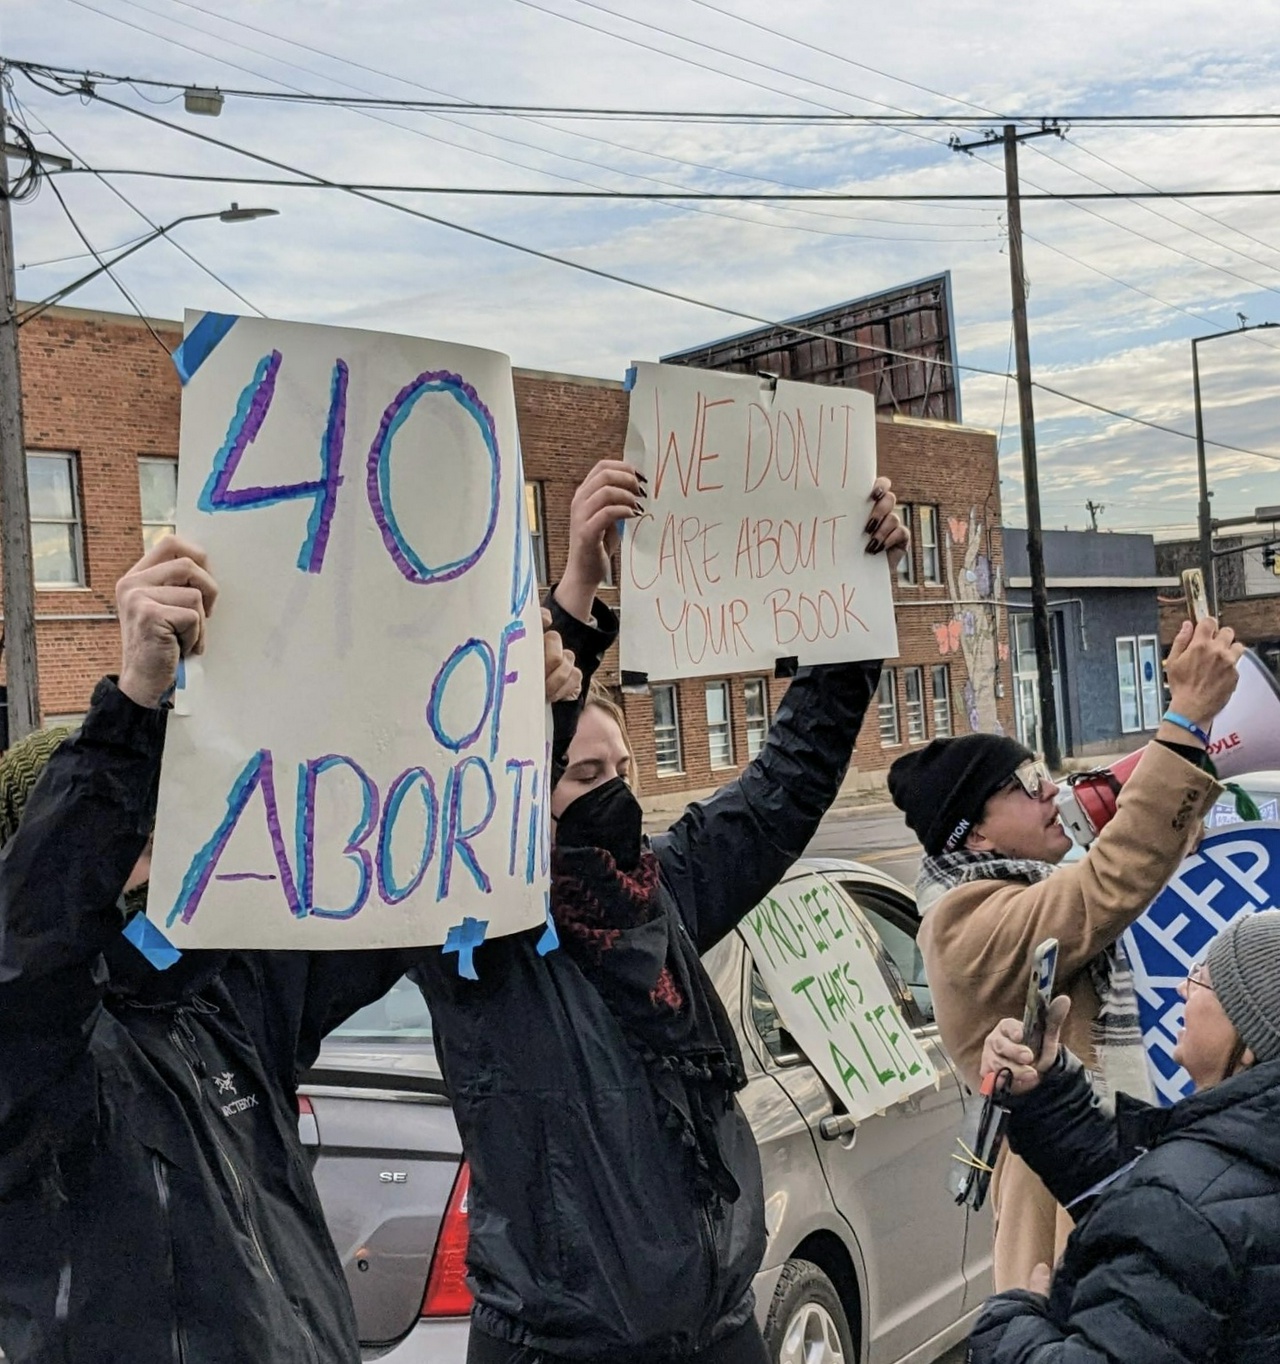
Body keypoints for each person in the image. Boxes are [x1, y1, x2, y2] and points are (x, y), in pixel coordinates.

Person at [0, 535, 582, 1364]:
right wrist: (132, 707)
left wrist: (530, 715)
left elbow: (412, 890)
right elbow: (34, 947)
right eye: (129, 841)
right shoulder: (35, 1063)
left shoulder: (220, 1001)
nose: (162, 859)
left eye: (162, 828)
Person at [410, 460, 908, 1364]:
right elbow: (471, 784)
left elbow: (783, 788)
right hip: (556, 1349)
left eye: (624, 774)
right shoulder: (485, 946)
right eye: (583, 777)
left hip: (714, 1332)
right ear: (527, 794)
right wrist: (572, 598)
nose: (615, 797)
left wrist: (852, 607)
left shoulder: (660, 894)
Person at [886, 615, 1243, 1292]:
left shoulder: (1028, 885)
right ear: (978, 837)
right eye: (1025, 781)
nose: (1051, 790)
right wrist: (1186, 719)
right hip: (1066, 1220)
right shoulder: (963, 924)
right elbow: (1106, 887)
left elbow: (1116, 861)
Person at [966, 908, 1280, 1363]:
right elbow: (1152, 1190)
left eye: (1202, 978)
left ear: (1251, 1040)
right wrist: (1046, 1088)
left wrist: (1013, 1324)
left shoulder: (1185, 1209)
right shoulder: (1240, 1159)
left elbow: (1179, 1210)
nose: (1182, 988)